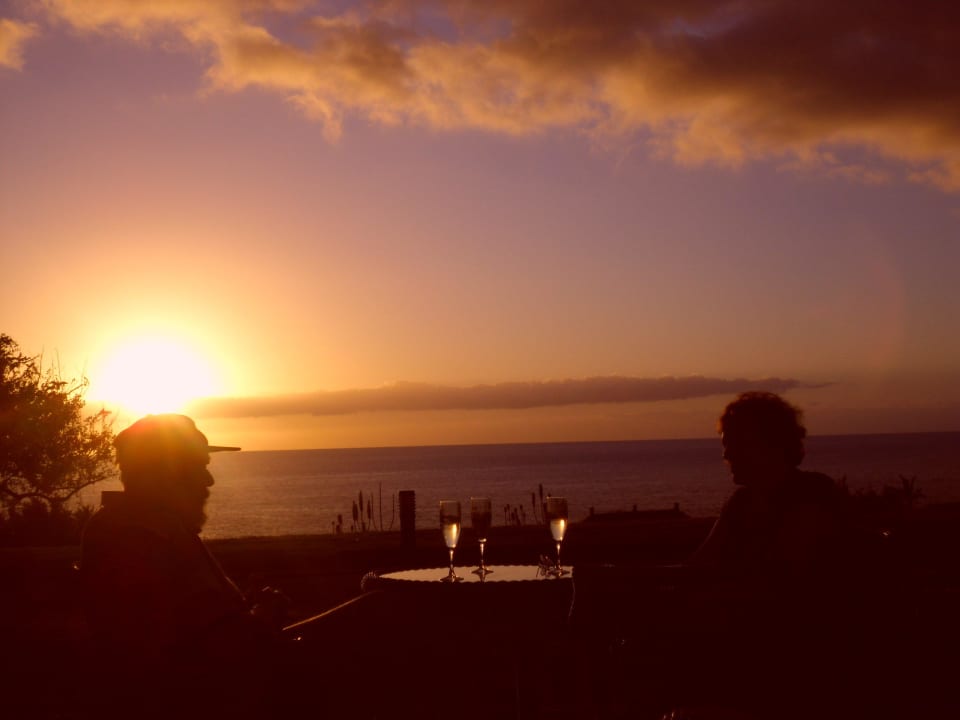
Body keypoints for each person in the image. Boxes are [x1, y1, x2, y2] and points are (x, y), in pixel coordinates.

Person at [80, 414, 288, 718]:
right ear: (167, 472)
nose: (209, 480)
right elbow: (166, 659)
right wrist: (261, 620)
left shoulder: (150, 527)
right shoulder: (138, 538)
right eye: (200, 467)